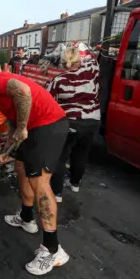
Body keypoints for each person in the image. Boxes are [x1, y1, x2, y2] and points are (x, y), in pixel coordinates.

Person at [0, 64, 69, 276]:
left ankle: (53, 249)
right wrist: (7, 150)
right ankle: (26, 217)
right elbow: (13, 120)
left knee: (40, 182)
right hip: (33, 127)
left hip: (48, 125)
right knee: (20, 166)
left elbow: (23, 91)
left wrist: (23, 127)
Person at [47, 46, 100, 201]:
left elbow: (51, 103)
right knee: (81, 153)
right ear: (80, 59)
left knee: (60, 157)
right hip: (92, 121)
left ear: (62, 63)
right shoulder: (93, 72)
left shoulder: (59, 81)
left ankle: (57, 193)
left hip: (71, 123)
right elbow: (92, 56)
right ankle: (75, 184)